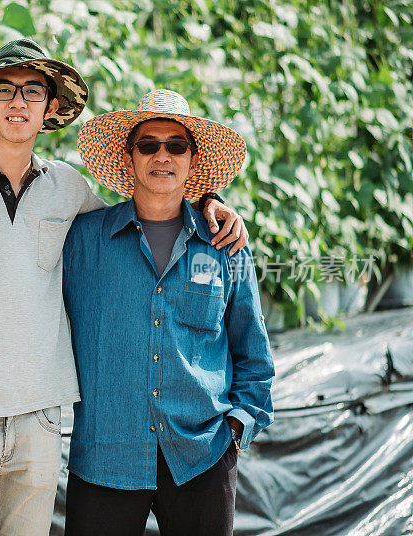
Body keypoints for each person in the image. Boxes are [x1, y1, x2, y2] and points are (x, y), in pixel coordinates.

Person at [0, 39, 248, 536]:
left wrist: (209, 201)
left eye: (33, 91)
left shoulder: (67, 188)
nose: (18, 102)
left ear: (50, 107)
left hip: (40, 424)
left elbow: (151, 210)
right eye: (4, 89)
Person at [61, 89, 275, 536]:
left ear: (193, 162)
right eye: (148, 144)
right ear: (128, 157)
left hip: (202, 456)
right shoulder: (81, 240)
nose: (163, 155)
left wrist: (236, 429)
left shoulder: (225, 246)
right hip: (106, 456)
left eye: (176, 145)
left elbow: (253, 351)